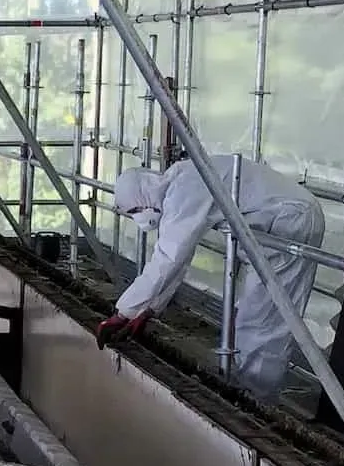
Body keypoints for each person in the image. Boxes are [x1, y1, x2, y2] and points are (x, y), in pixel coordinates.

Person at [98, 157, 325, 401]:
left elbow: (169, 258)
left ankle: (257, 401)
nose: (138, 218)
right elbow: (178, 259)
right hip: (278, 221)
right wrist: (149, 310)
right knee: (256, 316)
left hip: (290, 221)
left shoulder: (184, 192)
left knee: (264, 319)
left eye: (135, 211)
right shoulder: (179, 185)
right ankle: (251, 393)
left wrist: (124, 313)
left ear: (143, 198)